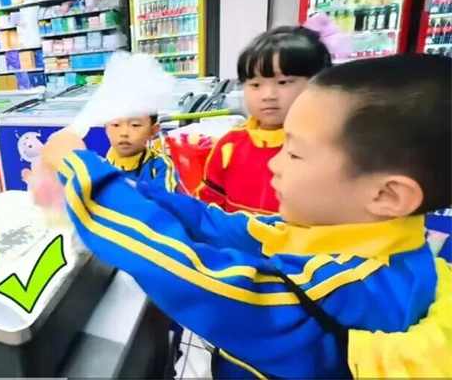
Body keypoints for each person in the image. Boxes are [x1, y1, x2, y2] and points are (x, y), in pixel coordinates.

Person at [38, 54, 451, 378]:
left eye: (294, 152)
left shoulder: (350, 289)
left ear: (387, 195)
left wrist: (80, 171)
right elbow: (218, 224)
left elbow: (193, 274)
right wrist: (121, 183)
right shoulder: (341, 237)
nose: (274, 163)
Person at [195, 25, 332, 214]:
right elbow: (207, 206)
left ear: (319, 83)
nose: (268, 95)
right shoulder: (230, 146)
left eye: (283, 82)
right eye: (255, 85)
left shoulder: (332, 146)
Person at [105, 114, 180, 193]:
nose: (124, 133)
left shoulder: (162, 165)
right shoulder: (99, 168)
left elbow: (163, 198)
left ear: (153, 131)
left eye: (135, 125)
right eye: (116, 125)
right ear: (106, 128)